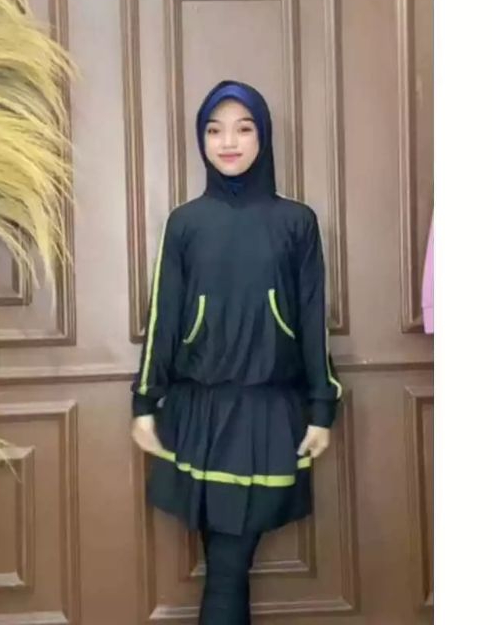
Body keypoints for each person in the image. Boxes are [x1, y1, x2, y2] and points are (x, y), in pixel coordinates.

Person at [131, 80, 343, 624]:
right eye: (214, 129)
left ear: (263, 136)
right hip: (197, 411)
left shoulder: (296, 221)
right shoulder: (185, 222)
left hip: (266, 413)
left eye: (243, 128)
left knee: (227, 567)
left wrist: (322, 408)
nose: (228, 141)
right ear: (201, 139)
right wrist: (144, 401)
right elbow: (164, 315)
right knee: (226, 568)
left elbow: (312, 319)